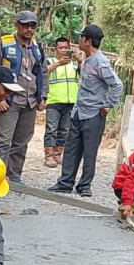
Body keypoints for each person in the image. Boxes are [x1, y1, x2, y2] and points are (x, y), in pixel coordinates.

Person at [49, 25, 123, 197]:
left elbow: (117, 85)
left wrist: (106, 106)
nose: (78, 41)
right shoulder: (88, 59)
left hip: (93, 114)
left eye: (81, 38)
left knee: (89, 151)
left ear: (88, 41)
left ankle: (84, 186)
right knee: (71, 148)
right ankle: (65, 182)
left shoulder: (100, 61)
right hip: (79, 111)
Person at [0, 10, 48, 183]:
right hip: (9, 101)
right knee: (3, 141)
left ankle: (14, 177)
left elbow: (42, 73)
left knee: (21, 142)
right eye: (25, 25)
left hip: (30, 102)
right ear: (17, 25)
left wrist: (43, 96)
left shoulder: (37, 47)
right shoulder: (3, 44)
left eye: (33, 25)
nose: (29, 29)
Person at [44, 37, 79, 169]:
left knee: (64, 130)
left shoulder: (75, 64)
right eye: (61, 48)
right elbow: (43, 72)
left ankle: (58, 153)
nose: (64, 50)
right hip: (53, 101)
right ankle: (49, 155)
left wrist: (80, 60)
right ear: (55, 50)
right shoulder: (50, 61)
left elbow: (84, 73)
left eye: (66, 48)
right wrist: (59, 63)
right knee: (51, 129)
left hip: (70, 101)